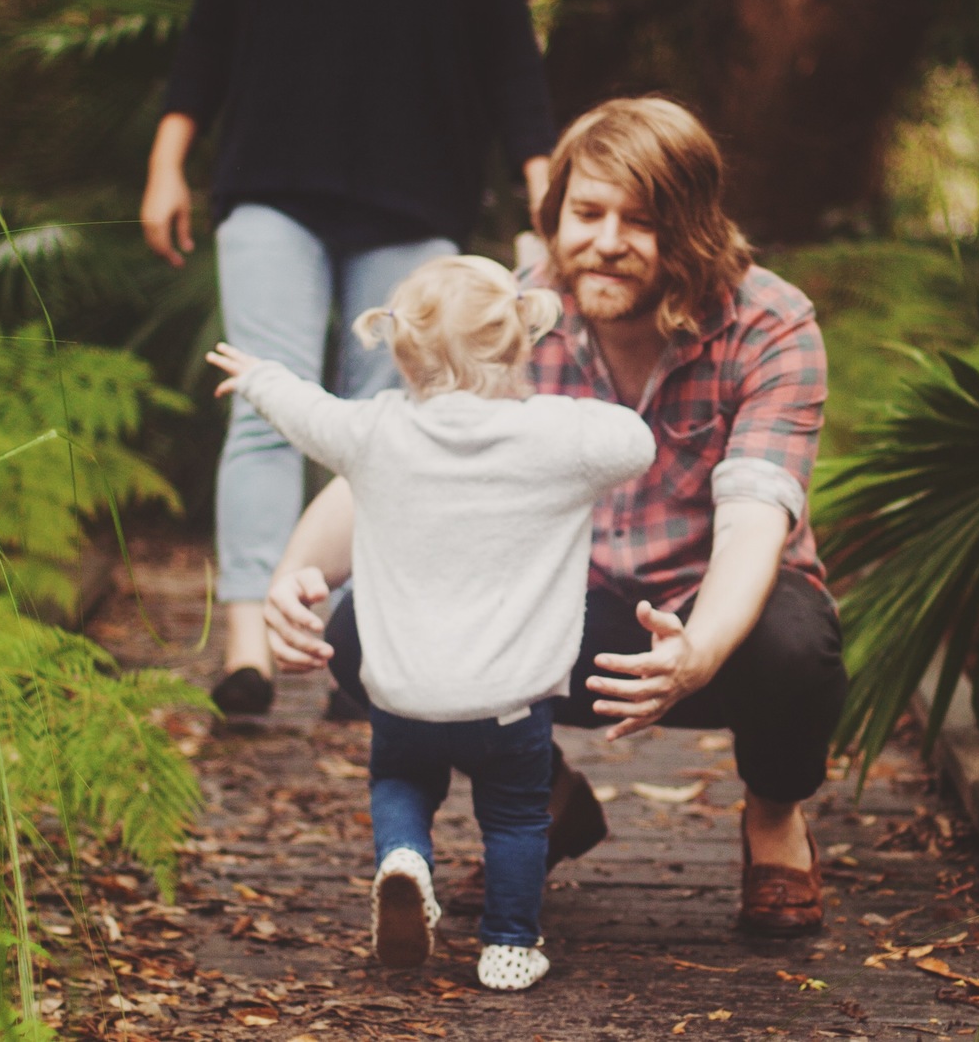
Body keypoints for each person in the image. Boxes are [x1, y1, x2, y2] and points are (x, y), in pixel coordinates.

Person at [260, 98, 846, 936]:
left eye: (640, 221)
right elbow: (398, 453)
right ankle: (543, 797)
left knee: (799, 643)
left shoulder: (771, 324)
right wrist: (295, 578)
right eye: (587, 212)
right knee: (361, 631)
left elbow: (758, 515)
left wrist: (700, 648)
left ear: (694, 228)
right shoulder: (512, 308)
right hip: (553, 606)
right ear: (555, 212)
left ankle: (774, 819)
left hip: (715, 607)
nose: (605, 240)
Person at [143, 0, 558, 717]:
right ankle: (246, 635)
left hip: (413, 193)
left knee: (390, 422)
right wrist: (167, 159)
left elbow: (509, 54)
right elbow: (207, 34)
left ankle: (354, 639)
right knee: (267, 405)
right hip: (271, 186)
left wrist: (547, 185)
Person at [206, 254, 654, 990]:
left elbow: (309, 411)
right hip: (510, 702)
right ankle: (509, 944)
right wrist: (554, 404)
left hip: (402, 693)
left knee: (400, 782)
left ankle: (405, 856)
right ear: (518, 345)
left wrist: (259, 377)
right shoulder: (557, 437)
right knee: (514, 817)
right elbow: (636, 441)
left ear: (403, 354)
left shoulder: (374, 431)